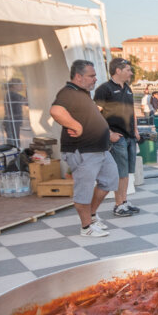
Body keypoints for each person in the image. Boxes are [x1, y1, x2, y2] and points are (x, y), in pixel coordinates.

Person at [48, 60, 119, 238]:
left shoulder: (83, 93)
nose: (95, 79)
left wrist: (107, 133)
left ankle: (92, 216)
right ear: (78, 77)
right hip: (83, 150)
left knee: (110, 181)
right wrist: (75, 126)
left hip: (100, 149)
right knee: (84, 190)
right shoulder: (69, 92)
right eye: (91, 75)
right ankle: (86, 227)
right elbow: (56, 111)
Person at [93, 57, 141, 217]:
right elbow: (96, 114)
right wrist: (109, 134)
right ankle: (118, 204)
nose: (131, 72)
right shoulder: (104, 89)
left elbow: (131, 111)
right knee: (120, 172)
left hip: (129, 136)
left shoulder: (127, 88)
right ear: (118, 71)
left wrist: (135, 130)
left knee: (127, 172)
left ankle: (124, 201)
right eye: (128, 70)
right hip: (117, 137)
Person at [2, 77, 30, 147]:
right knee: (13, 142)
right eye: (20, 85)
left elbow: (26, 103)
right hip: (12, 121)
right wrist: (29, 91)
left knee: (14, 141)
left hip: (13, 121)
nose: (22, 86)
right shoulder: (12, 95)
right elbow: (27, 102)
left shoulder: (12, 94)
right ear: (14, 86)